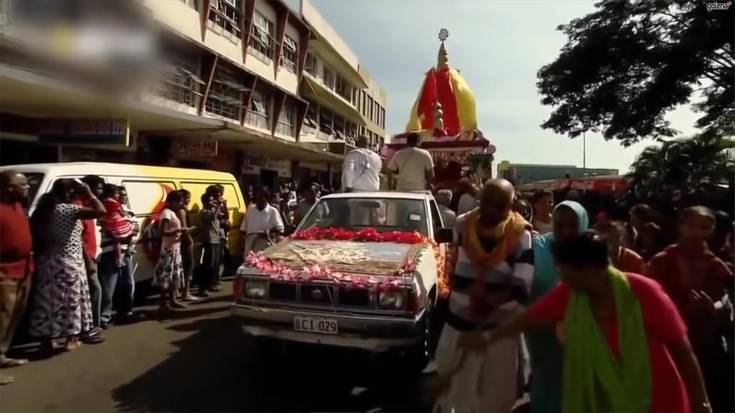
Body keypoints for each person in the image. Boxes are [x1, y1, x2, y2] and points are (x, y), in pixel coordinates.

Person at [473, 232, 713, 413]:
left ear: (589, 270)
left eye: (567, 272)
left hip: (659, 400)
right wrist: (486, 338)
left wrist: (701, 402)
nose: (562, 278)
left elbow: (683, 350)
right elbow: (528, 319)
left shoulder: (643, 291)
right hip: (607, 402)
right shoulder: (572, 293)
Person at [433, 179, 533, 413]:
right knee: (454, 397)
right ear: (480, 200)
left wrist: (486, 302)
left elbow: (521, 287)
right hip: (458, 327)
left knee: (496, 401)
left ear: (511, 204)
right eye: (488, 203)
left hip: (496, 334)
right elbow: (453, 267)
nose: (492, 210)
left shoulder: (521, 235)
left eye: (500, 205)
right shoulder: (461, 225)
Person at [648, 206, 734, 412]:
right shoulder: (663, 262)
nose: (697, 233)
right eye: (692, 226)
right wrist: (685, 311)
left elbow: (727, 301)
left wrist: (715, 308)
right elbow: (648, 305)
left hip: (709, 346)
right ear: (681, 226)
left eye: (704, 227)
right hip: (671, 348)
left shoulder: (716, 265)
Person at [29, 179, 106, 352]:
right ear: (69, 194)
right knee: (71, 302)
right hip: (69, 263)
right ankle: (72, 338)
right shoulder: (69, 210)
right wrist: (89, 193)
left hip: (47, 263)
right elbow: (101, 211)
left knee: (48, 302)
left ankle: (46, 340)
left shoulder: (41, 212)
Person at [527, 200, 589, 413]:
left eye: (573, 225)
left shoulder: (592, 251)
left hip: (582, 334)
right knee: (545, 385)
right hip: (543, 333)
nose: (566, 231)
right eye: (560, 224)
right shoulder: (538, 247)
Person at [0, 171, 33, 385]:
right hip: (4, 271)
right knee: (1, 318)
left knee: (14, 317)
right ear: (9, 187)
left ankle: (2, 354)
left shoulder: (19, 206)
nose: (28, 187)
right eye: (23, 184)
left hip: (24, 269)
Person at [98, 185, 137, 328]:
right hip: (110, 252)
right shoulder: (109, 207)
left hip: (126, 252)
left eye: (124, 194)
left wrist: (128, 228)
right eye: (119, 193)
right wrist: (125, 229)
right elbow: (113, 229)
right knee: (109, 286)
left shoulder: (126, 210)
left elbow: (134, 228)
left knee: (127, 284)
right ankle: (104, 317)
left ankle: (125, 312)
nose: (123, 196)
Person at [155, 190, 192, 316]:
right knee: (166, 278)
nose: (180, 204)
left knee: (173, 277)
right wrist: (178, 230)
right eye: (179, 202)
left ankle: (173, 300)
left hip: (175, 249)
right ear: (172, 201)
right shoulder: (166, 213)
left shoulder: (172, 213)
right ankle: (163, 305)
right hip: (168, 250)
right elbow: (162, 232)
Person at [79, 175, 105, 342]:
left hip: (93, 255)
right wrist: (88, 260)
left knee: (92, 291)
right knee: (94, 290)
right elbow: (78, 237)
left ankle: (92, 326)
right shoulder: (79, 207)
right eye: (98, 188)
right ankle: (90, 327)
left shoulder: (89, 206)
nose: (100, 191)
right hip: (84, 258)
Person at [240, 189, 284, 256]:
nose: (258, 202)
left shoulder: (273, 211)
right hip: (250, 247)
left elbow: (280, 229)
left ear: (266, 199)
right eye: (257, 199)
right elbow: (243, 228)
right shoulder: (250, 209)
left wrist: (268, 232)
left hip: (266, 247)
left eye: (261, 199)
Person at [100, 184, 135, 268]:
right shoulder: (115, 203)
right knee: (131, 230)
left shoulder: (104, 202)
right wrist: (126, 215)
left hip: (111, 225)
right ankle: (129, 247)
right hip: (118, 225)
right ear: (112, 194)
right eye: (117, 193)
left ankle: (119, 258)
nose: (118, 195)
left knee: (117, 241)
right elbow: (122, 213)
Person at [197, 192, 224, 297]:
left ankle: (212, 284)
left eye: (213, 200)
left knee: (215, 264)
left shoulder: (213, 210)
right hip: (209, 240)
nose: (213, 202)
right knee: (208, 265)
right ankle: (202, 287)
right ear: (204, 202)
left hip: (216, 239)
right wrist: (218, 206)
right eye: (210, 200)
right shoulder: (204, 212)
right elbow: (212, 217)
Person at [176, 189, 197, 302]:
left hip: (179, 242)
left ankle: (179, 292)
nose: (189, 200)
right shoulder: (181, 211)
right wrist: (190, 241)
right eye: (188, 197)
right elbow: (184, 229)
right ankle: (186, 292)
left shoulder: (179, 210)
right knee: (188, 266)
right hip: (185, 242)